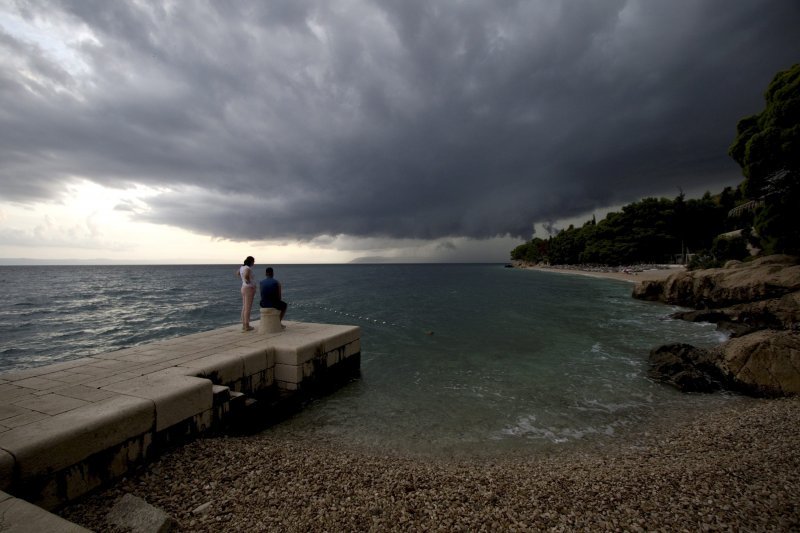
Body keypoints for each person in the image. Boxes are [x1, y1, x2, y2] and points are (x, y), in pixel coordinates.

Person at [236, 256, 256, 332]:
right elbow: (246, 276)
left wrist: (243, 280)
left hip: (243, 288)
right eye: (253, 261)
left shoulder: (242, 267)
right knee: (248, 308)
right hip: (248, 288)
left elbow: (237, 273)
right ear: (251, 261)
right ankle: (247, 326)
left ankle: (244, 325)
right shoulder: (247, 268)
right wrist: (249, 282)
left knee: (244, 307)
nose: (254, 263)